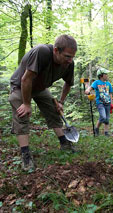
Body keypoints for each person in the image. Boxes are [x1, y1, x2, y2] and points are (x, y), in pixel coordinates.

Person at [8, 35, 78, 171]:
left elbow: (68, 83)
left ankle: (65, 143)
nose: (70, 60)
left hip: (40, 88)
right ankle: (26, 156)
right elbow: (26, 79)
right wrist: (27, 104)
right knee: (22, 114)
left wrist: (61, 102)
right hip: (20, 86)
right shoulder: (42, 52)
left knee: (54, 110)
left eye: (72, 57)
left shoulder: (69, 64)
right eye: (67, 56)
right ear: (56, 50)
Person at [85, 67, 113, 136]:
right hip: (100, 103)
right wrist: (88, 90)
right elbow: (90, 88)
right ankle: (97, 128)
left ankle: (106, 132)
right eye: (105, 74)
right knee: (103, 117)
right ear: (101, 75)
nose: (107, 75)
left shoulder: (108, 84)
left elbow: (110, 93)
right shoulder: (96, 82)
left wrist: (111, 103)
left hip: (108, 103)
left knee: (107, 118)